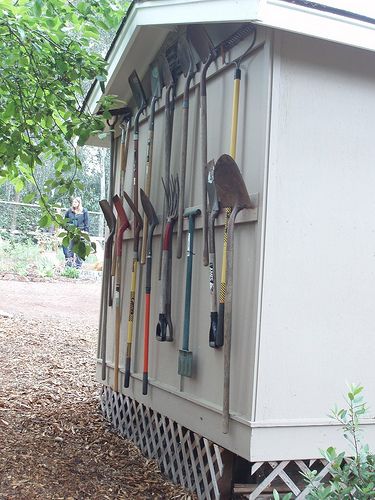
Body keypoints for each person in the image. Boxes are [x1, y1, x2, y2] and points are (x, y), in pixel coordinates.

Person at [63, 197, 89, 269]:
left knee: (80, 249)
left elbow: (86, 223)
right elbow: (66, 221)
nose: (74, 203)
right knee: (70, 249)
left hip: (81, 232)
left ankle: (78, 266)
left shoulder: (84, 211)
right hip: (71, 232)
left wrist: (86, 232)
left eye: (75, 202)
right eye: (73, 202)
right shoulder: (69, 211)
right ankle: (69, 265)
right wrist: (67, 228)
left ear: (79, 203)